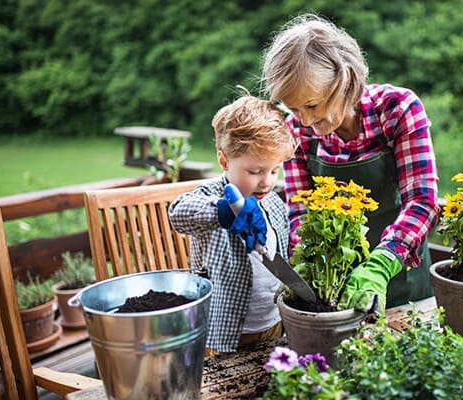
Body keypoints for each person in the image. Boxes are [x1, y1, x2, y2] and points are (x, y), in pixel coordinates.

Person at [261, 14, 440, 314]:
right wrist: (304, 260)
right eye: (293, 108)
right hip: (334, 287)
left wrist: (381, 266)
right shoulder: (297, 131)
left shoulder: (398, 110)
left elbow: (423, 201)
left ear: (344, 81)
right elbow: (300, 210)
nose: (303, 119)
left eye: (312, 105)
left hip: (402, 279)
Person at [168, 92, 297, 354]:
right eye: (255, 171)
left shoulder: (271, 201)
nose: (267, 182)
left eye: (274, 170)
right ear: (224, 161)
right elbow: (178, 213)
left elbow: (280, 253)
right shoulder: (211, 196)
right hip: (223, 331)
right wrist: (224, 211)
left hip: (272, 322)